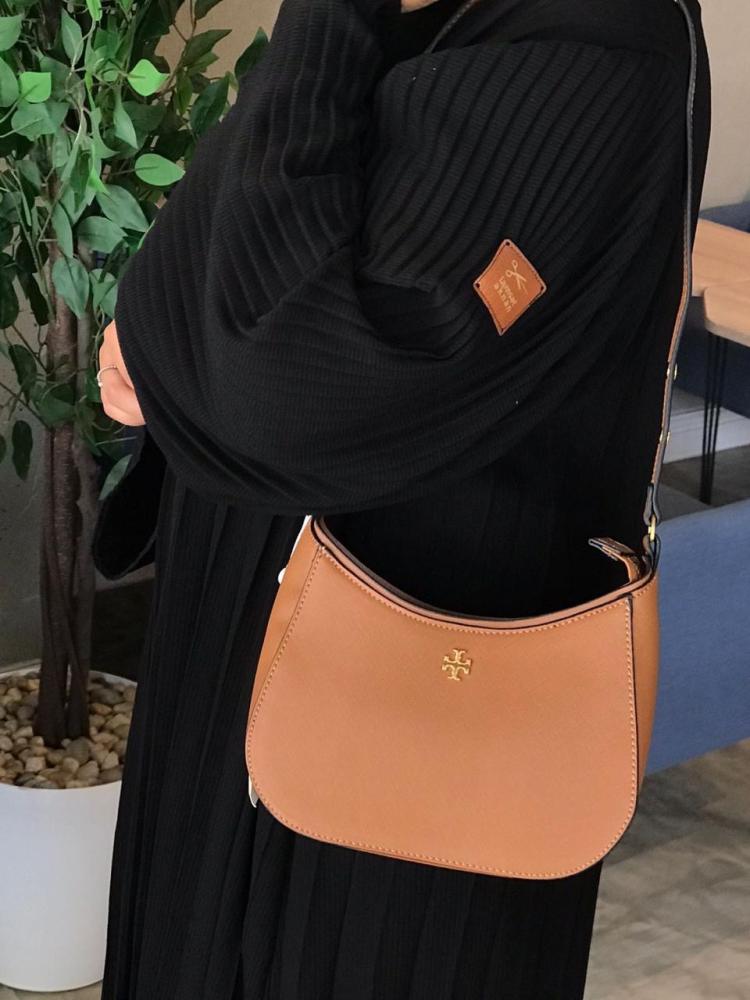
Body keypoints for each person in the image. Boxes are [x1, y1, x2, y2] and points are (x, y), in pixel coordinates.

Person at [93, 0, 711, 996]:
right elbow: (221, 251)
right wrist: (169, 322)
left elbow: (292, 379)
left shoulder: (597, 39)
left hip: (426, 732)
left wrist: (176, 338)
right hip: (240, 656)